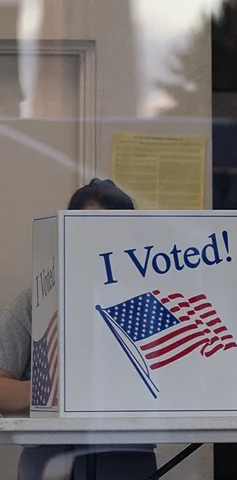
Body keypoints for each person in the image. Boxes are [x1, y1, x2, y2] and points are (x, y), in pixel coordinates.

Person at [0, 179, 158, 479]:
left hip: (128, 456)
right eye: (89, 231)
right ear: (67, 232)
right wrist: (54, 391)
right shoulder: (35, 300)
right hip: (48, 457)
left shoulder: (148, 301)